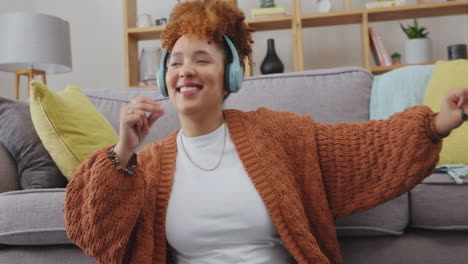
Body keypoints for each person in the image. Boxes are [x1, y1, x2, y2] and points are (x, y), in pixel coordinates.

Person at [63, 0, 468, 263]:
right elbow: (98, 238)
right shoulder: (145, 164)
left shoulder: (279, 135)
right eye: (175, 62)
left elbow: (363, 149)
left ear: (230, 76)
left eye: (202, 59)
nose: (185, 69)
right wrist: (123, 152)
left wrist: (437, 123)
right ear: (162, 77)